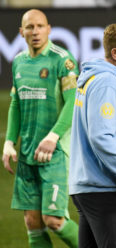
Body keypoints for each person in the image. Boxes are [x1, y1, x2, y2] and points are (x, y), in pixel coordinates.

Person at [2, 9, 79, 248]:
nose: (35, 32)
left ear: (49, 29)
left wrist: (53, 137)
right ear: (21, 32)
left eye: (40, 26)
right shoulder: (18, 62)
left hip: (55, 153)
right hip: (27, 154)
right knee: (33, 223)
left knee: (54, 220)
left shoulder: (62, 59)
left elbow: (72, 104)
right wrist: (9, 142)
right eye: (30, 27)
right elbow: (16, 102)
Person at [69, 22, 116, 248]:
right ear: (115, 53)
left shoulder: (92, 77)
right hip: (101, 188)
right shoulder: (106, 82)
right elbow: (101, 137)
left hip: (85, 186)